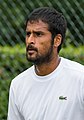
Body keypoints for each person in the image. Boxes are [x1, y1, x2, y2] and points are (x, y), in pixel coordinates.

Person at [7, 7, 84, 120]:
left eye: (38, 34)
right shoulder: (18, 85)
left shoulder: (80, 78)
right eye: (28, 34)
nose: (30, 40)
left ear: (57, 40)